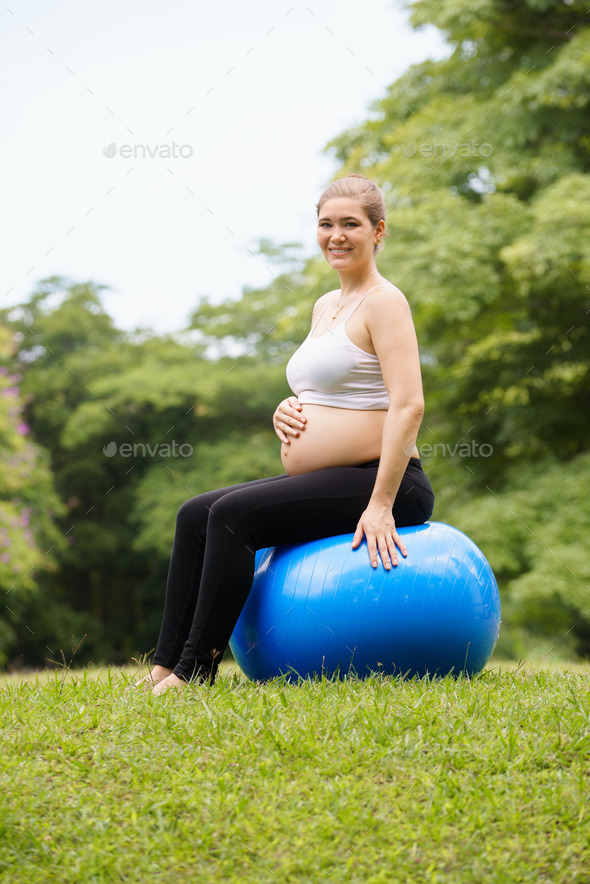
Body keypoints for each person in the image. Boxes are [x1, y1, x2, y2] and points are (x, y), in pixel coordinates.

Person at [137, 173, 435, 695]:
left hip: (386, 483)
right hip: (339, 475)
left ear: (379, 231)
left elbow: (408, 405)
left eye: (351, 224)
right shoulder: (326, 305)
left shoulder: (386, 302)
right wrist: (288, 411)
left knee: (232, 517)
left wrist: (382, 503)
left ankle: (194, 672)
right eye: (326, 224)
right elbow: (329, 389)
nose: (336, 235)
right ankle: (163, 667)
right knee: (193, 513)